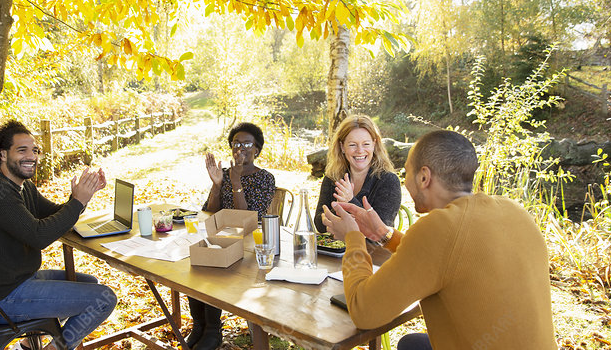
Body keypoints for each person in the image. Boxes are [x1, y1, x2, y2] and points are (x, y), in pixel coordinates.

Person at [322, 130, 556, 350]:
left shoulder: (437, 228)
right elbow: (450, 258)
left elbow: (365, 313)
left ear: (424, 177)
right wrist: (383, 233)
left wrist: (353, 237)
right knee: (413, 344)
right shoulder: (514, 210)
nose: (405, 182)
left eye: (407, 173)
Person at [0, 120, 117, 350]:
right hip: (2, 299)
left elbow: (54, 215)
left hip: (19, 282)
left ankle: (28, 345)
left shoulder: (21, 186)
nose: (31, 156)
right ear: (3, 154)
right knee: (103, 298)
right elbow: (39, 235)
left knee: (89, 283)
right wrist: (77, 202)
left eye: (34, 150)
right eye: (22, 150)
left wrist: (82, 196)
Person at [187, 122, 275, 350]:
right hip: (222, 240)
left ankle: (213, 330)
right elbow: (209, 212)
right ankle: (199, 325)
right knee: (198, 258)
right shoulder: (223, 174)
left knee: (213, 261)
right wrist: (217, 186)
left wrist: (236, 182)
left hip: (249, 246)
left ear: (257, 149)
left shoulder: (265, 178)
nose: (240, 148)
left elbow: (249, 219)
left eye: (247, 144)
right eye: (236, 144)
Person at [314, 115, 401, 233]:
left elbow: (380, 231)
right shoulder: (332, 177)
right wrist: (338, 209)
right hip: (337, 250)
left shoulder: (389, 181)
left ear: (374, 145)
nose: (360, 150)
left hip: (372, 251)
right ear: (342, 147)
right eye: (352, 145)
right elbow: (319, 224)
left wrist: (349, 202)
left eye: (366, 144)